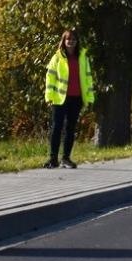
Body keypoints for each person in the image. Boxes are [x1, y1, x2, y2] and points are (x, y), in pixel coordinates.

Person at [43, 29, 95, 169]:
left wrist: (89, 98)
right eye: (68, 39)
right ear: (64, 41)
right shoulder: (57, 57)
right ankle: (53, 159)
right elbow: (50, 77)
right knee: (57, 127)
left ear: (77, 42)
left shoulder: (83, 58)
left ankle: (66, 158)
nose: (71, 42)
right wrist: (49, 96)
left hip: (76, 98)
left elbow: (88, 78)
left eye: (73, 39)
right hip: (60, 98)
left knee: (71, 128)